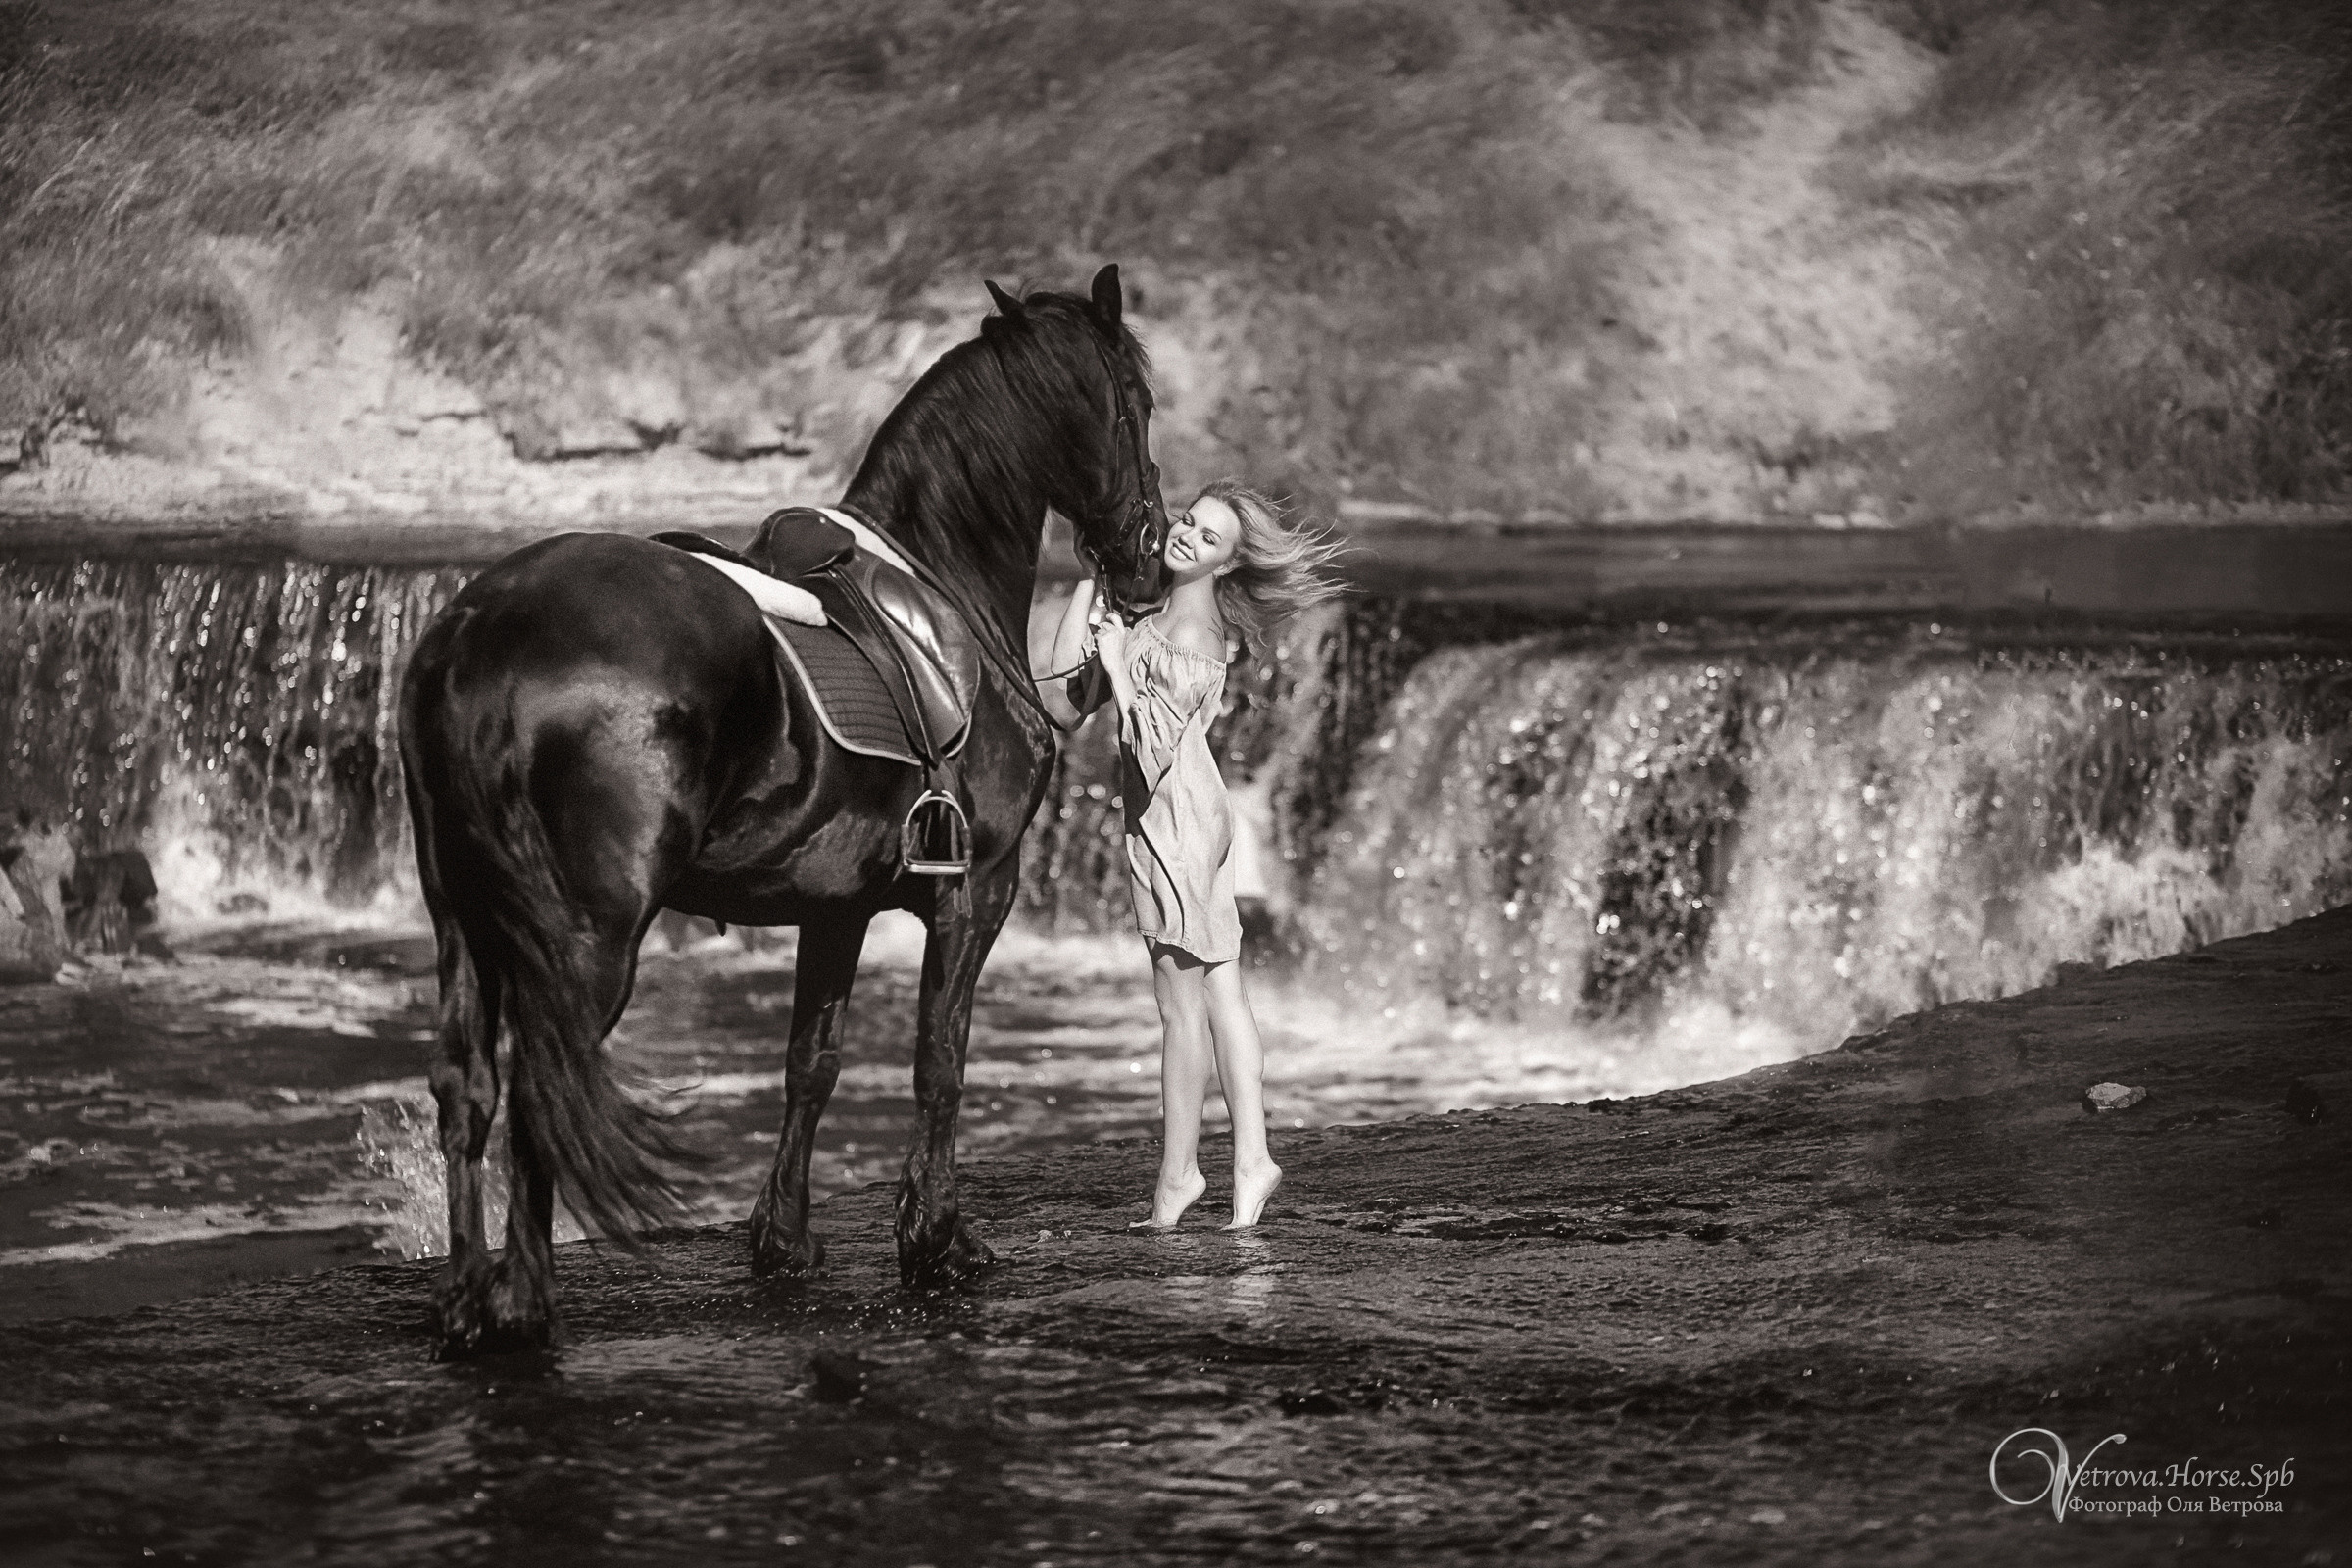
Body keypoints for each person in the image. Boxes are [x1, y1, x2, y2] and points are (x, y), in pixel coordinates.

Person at [1037, 480, 1344, 1229]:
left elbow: (1147, 749)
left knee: (1181, 1013)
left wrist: (1114, 662)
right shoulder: (1169, 612)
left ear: (1227, 565)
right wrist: (1090, 582)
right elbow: (1059, 705)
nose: (1185, 537)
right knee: (1223, 994)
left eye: (1208, 539)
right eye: (1188, 522)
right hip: (1192, 817)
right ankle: (1253, 1160)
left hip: (1174, 825)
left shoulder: (1194, 634)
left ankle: (1179, 1177)